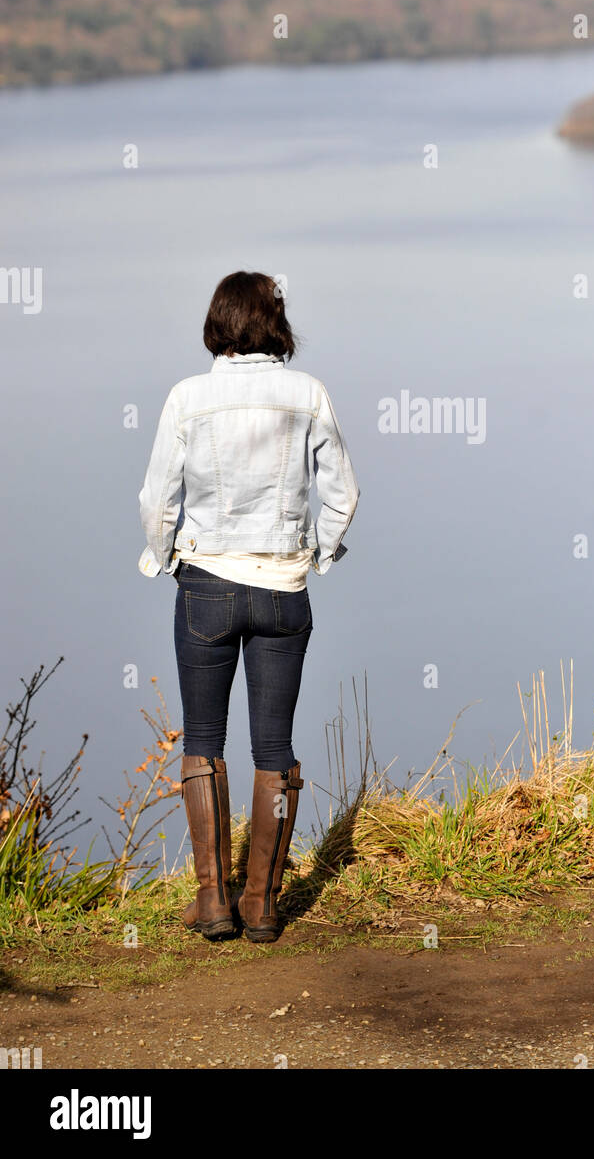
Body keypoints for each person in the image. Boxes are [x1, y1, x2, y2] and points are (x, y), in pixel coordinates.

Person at [137, 271, 359, 942]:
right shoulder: (308, 394)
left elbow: (157, 500)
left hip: (206, 583)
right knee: (275, 746)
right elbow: (343, 495)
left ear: (218, 322)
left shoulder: (188, 398)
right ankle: (262, 903)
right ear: (276, 322)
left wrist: (166, 556)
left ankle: (213, 902)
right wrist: (314, 553)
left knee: (203, 739)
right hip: (283, 590)